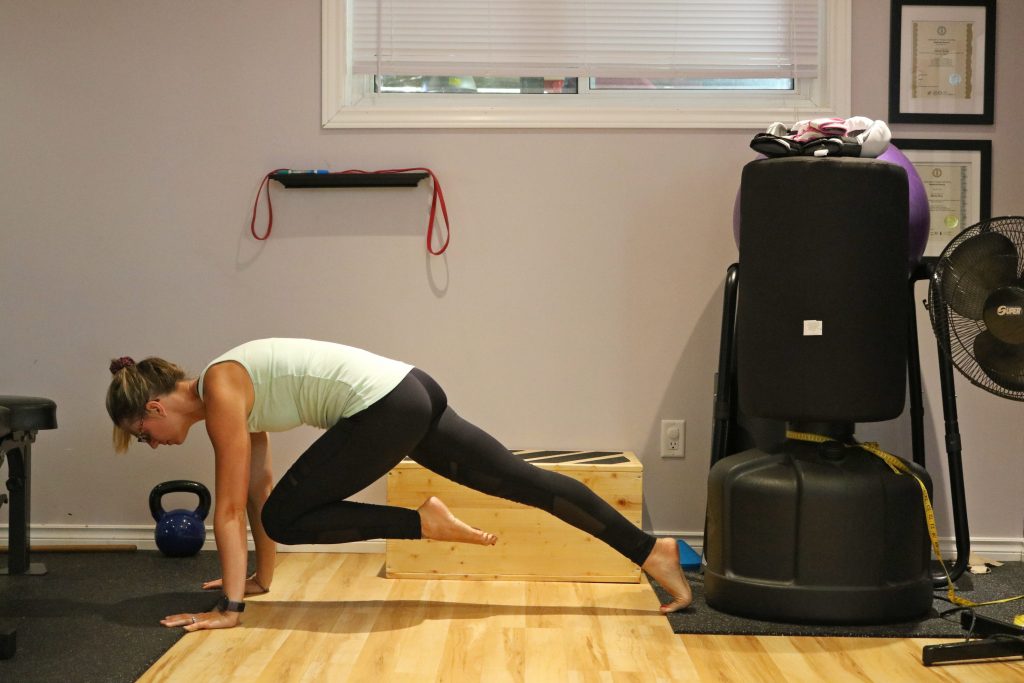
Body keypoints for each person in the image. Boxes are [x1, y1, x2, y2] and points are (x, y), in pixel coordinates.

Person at [105, 338, 692, 631]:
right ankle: (651, 550)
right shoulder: (230, 386)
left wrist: (229, 608)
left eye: (144, 434)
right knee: (525, 482)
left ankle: (423, 522)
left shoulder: (221, 391)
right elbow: (260, 489)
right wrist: (260, 578)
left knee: (288, 516)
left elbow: (229, 511)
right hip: (412, 390)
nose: (152, 445)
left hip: (384, 407)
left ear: (155, 407)